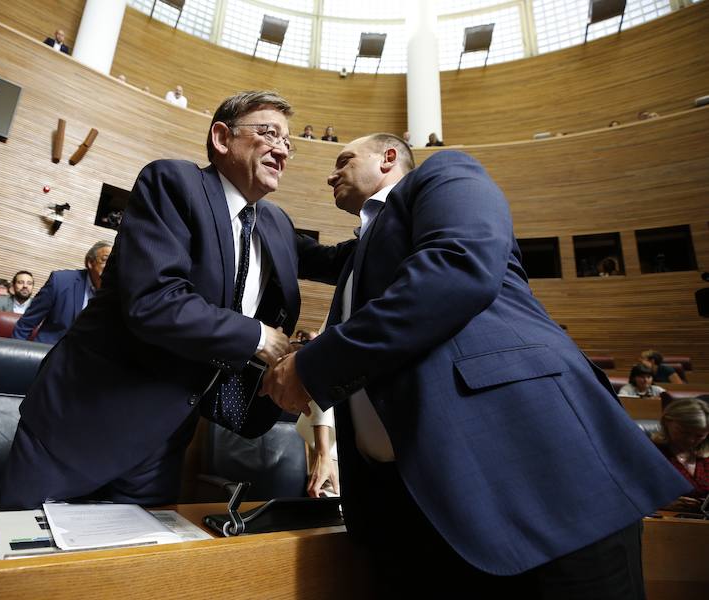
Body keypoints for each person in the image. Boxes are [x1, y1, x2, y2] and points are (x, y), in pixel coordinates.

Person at [261, 134, 689, 597]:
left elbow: (458, 268)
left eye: (344, 160)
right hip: (422, 513)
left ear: (388, 159)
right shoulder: (360, 253)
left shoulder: (445, 175)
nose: (330, 175)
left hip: (537, 481)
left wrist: (312, 367)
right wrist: (253, 204)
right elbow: (307, 254)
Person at [0, 90, 350, 510]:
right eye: (270, 133)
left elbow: (336, 263)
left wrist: (385, 206)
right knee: (20, 559)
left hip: (164, 440)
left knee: (128, 567)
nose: (283, 150)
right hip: (82, 421)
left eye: (288, 142)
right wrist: (259, 337)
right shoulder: (172, 183)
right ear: (222, 138)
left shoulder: (274, 222)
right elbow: (155, 301)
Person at [12, 241, 112, 344]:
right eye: (105, 260)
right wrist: (15, 355)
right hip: (50, 352)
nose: (111, 267)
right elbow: (26, 324)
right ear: (90, 262)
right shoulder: (60, 281)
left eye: (114, 263)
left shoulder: (117, 294)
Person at [651, 398, 709, 501]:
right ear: (667, 422)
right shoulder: (651, 453)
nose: (691, 440)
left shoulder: (705, 456)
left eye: (699, 436)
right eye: (684, 432)